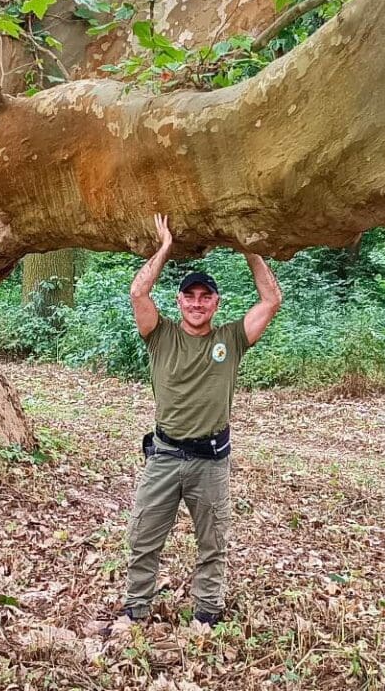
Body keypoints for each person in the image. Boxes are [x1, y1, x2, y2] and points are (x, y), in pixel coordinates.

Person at [120, 213, 282, 627]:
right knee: (143, 537)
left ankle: (207, 614)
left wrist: (249, 247)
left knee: (213, 543)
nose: (196, 303)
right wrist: (164, 247)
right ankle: (136, 610)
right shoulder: (160, 335)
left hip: (211, 461)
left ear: (215, 303)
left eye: (204, 297)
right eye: (189, 296)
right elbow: (138, 292)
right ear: (179, 301)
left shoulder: (230, 338)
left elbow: (270, 301)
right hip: (164, 456)